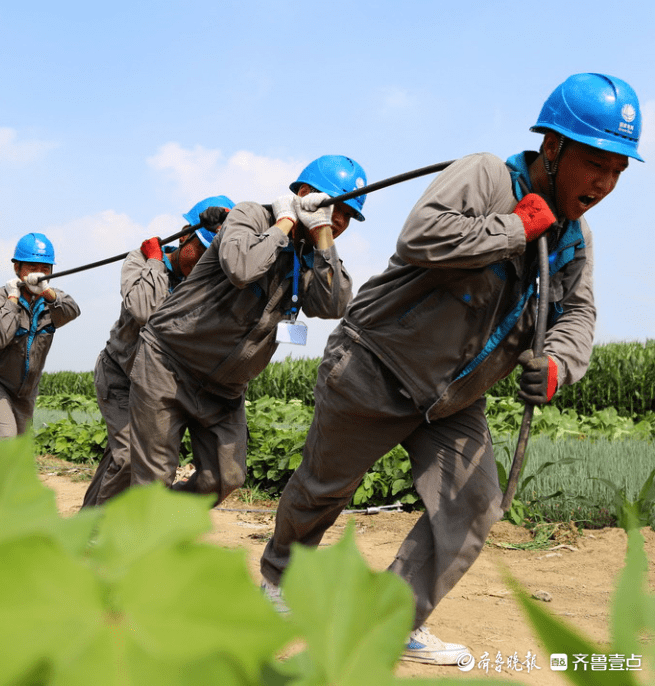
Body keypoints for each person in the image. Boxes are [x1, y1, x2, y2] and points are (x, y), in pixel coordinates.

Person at [259, 73, 643, 665]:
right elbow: (420, 237)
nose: (605, 182)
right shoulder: (486, 175)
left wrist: (561, 365)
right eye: (596, 161)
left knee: (473, 506)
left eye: (619, 169)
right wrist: (516, 227)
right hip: (377, 366)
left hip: (454, 400)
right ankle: (278, 581)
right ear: (553, 148)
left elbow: (578, 315)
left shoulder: (575, 240)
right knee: (323, 488)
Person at [127, 155, 366, 505]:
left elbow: (332, 306)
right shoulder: (250, 215)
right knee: (153, 481)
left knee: (226, 477)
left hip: (225, 388)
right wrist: (284, 223)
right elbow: (242, 268)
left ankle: (158, 526)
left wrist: (324, 238)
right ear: (304, 193)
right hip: (169, 365)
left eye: (348, 215)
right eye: (336, 208)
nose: (341, 220)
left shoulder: (314, 252)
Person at [83, 196, 236, 508]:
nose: (205, 261)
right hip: (121, 377)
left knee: (123, 459)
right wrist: (154, 262)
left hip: (158, 384)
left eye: (214, 256)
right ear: (183, 237)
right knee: (128, 459)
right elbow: (142, 308)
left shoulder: (208, 281)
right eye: (203, 250)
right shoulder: (140, 259)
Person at [0, 232, 80, 442]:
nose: (38, 274)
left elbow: (72, 311)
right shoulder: (1, 297)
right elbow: (0, 337)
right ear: (17, 268)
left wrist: (47, 293)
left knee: (18, 451)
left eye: (45, 269)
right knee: (5, 440)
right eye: (32, 267)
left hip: (25, 390)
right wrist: (13, 298)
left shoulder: (52, 299)